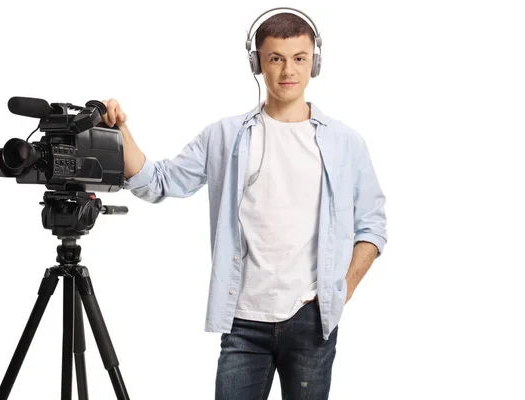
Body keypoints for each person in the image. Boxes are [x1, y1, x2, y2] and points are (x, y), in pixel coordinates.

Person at [101, 8, 387, 400]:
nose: (288, 70)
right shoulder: (224, 136)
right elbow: (159, 182)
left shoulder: (345, 142)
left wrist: (340, 290)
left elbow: (372, 224)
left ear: (314, 63)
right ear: (258, 63)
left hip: (312, 318)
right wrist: (121, 132)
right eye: (276, 58)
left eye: (300, 58)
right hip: (242, 320)